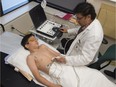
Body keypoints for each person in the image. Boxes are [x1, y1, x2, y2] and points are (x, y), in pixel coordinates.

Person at [21, 34, 115, 87]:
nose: (36, 40)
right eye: (33, 40)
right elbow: (37, 76)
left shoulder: (43, 46)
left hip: (64, 64)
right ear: (27, 45)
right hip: (57, 72)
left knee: (96, 75)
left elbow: (57, 54)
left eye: (36, 39)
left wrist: (64, 58)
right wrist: (52, 85)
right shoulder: (30, 57)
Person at [58, 2, 104, 66]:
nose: (77, 20)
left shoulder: (94, 35)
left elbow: (85, 59)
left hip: (82, 62)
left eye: (79, 18)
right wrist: (68, 31)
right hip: (77, 52)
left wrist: (66, 60)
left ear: (88, 17)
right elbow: (81, 29)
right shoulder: (91, 21)